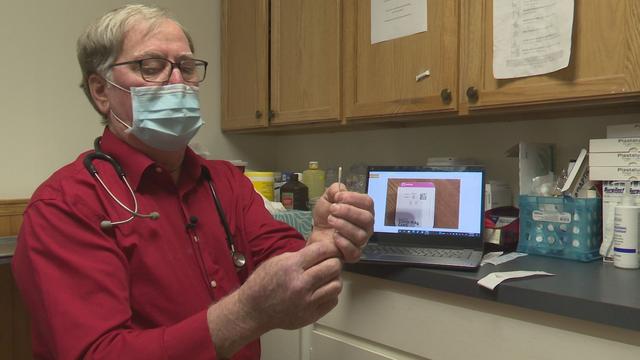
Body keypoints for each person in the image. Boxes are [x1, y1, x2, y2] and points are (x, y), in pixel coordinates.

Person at [12, 4, 374, 359]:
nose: (177, 83)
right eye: (150, 67)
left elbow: (285, 266)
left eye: (186, 68)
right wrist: (246, 314)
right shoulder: (65, 207)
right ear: (101, 91)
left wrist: (322, 240)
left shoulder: (225, 182)